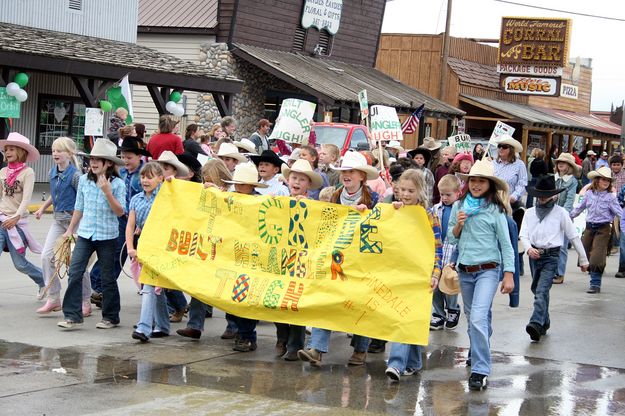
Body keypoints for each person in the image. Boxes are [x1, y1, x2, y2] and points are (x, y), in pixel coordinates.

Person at [298, 151, 379, 367]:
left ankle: (361, 348)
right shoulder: (334, 196)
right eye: (344, 171)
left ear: (362, 175)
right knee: (325, 299)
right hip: (336, 258)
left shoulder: (375, 199)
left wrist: (368, 215)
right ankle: (317, 348)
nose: (346, 175)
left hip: (362, 261)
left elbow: (383, 227)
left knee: (361, 303)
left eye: (350, 171)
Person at [447, 159, 515, 391]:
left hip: (488, 270)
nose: (476, 185)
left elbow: (507, 245)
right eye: (473, 180)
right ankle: (478, 350)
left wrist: (509, 274)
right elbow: (451, 238)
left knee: (477, 318)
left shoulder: (495, 209)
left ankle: (480, 369)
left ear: (490, 184)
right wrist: (459, 225)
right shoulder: (459, 206)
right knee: (476, 318)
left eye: (481, 181)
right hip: (465, 271)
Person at [58, 139, 126, 329]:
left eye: (99, 159)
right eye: (92, 159)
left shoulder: (118, 184)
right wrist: (70, 230)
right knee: (75, 272)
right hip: (86, 234)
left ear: (109, 163)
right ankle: (72, 315)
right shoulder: (83, 181)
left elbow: (120, 211)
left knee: (107, 277)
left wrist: (107, 192)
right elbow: (79, 207)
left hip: (108, 236)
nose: (93, 163)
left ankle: (111, 317)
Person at [385, 169, 442, 381]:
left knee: (406, 318)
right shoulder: (395, 209)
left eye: (411, 190)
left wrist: (436, 273)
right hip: (398, 273)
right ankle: (414, 362)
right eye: (403, 190)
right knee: (408, 317)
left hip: (420, 275)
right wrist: (392, 212)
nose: (406, 195)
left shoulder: (429, 215)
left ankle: (396, 364)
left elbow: (438, 247)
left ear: (420, 192)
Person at [520, 175, 589, 342]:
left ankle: (535, 323)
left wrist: (583, 259)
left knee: (542, 290)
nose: (543, 197)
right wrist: (528, 249)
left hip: (551, 255)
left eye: (546, 194)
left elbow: (573, 236)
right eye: (540, 194)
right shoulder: (529, 213)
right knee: (537, 290)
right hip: (534, 255)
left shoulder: (561, 213)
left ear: (554, 195)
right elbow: (524, 234)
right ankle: (545, 320)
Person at [89, 137, 149, 306]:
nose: (125, 161)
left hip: (143, 223)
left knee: (144, 260)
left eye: (129, 157)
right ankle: (101, 289)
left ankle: (157, 295)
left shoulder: (145, 174)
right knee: (117, 255)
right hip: (123, 221)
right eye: (122, 157)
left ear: (139, 157)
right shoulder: (120, 173)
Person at [35, 137, 91, 315]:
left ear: (70, 153)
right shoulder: (53, 171)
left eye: (60, 150)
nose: (55, 153)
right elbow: (55, 194)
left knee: (76, 262)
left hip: (75, 221)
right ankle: (54, 298)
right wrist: (43, 207)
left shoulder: (76, 176)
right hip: (58, 221)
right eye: (53, 150)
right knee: (46, 256)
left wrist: (71, 229)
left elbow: (81, 202)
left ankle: (85, 300)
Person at [275, 159, 323, 361]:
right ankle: (282, 338)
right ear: (287, 180)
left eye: (301, 179)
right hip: (279, 257)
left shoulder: (313, 205)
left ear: (308, 185)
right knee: (276, 300)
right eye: (294, 178)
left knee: (294, 303)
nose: (296, 182)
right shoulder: (278, 200)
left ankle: (295, 344)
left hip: (302, 259)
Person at [221, 162, 268, 352]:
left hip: (253, 257)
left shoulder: (262, 203)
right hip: (233, 254)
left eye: (242, 184)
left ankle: (248, 335)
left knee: (246, 297)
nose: (238, 187)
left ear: (252, 186)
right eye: (236, 184)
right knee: (233, 296)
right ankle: (241, 331)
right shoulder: (230, 199)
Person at [0, 133, 45, 296]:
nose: (7, 152)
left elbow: (26, 199)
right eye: (6, 150)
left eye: (11, 149)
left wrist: (16, 217)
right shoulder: (3, 171)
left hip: (17, 224)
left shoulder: (28, 172)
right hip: (1, 219)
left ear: (20, 151)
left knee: (20, 264)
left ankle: (43, 280)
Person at [129, 162, 167, 342]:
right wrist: (130, 247)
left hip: (161, 245)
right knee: (153, 285)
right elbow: (130, 225)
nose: (145, 180)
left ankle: (144, 327)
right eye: (143, 176)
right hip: (143, 244)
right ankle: (163, 324)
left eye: (150, 177)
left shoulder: (164, 196)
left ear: (160, 179)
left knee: (150, 284)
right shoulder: (136, 199)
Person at [570, 167, 623, 294]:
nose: (606, 182)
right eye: (603, 180)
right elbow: (579, 208)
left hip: (603, 228)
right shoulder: (589, 194)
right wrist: (568, 216)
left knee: (597, 256)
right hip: (589, 227)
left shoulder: (610, 197)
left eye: (608, 181)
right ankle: (593, 270)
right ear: (597, 180)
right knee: (585, 252)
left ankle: (595, 283)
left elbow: (619, 212)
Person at [430, 174, 462, 330]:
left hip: (452, 250)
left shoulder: (460, 210)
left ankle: (453, 309)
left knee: (449, 282)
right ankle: (438, 312)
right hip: (438, 251)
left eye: (448, 194)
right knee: (434, 284)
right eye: (442, 194)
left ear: (458, 193)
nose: (444, 197)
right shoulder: (435, 209)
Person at [553, 153, 581, 285]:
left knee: (562, 247)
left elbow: (569, 201)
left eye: (564, 162)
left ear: (569, 166)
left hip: (564, 217)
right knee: (550, 245)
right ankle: (551, 271)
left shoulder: (572, 181)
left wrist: (562, 216)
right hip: (550, 216)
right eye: (559, 162)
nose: (560, 164)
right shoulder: (553, 178)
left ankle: (560, 273)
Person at [493, 135, 527, 210]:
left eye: (504, 146)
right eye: (499, 146)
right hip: (493, 203)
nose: (501, 148)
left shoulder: (519, 164)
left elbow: (522, 183)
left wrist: (514, 196)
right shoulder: (493, 163)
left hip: (511, 205)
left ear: (511, 149)